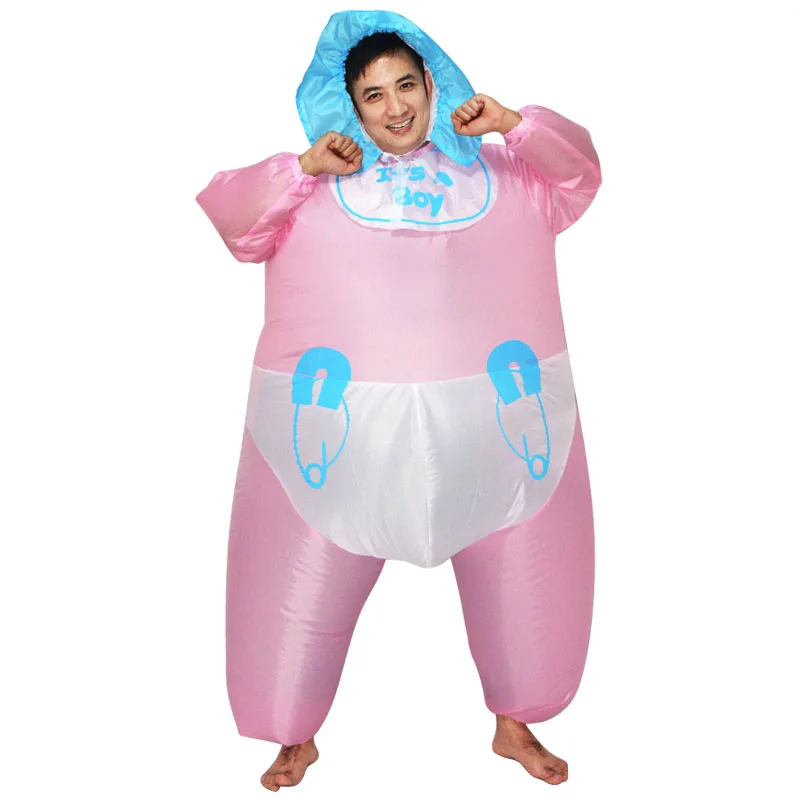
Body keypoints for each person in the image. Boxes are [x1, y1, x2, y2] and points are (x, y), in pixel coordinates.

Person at [196, 10, 601, 792]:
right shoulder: (313, 183)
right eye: (373, 94)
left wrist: (514, 124)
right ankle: (292, 736)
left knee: (527, 583)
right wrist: (300, 166)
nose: (395, 107)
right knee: (293, 597)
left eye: (407, 85)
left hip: (498, 434)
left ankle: (515, 724)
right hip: (342, 441)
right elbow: (233, 222)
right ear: (348, 105)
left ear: (433, 84)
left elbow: (581, 174)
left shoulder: (506, 174)